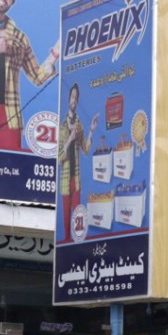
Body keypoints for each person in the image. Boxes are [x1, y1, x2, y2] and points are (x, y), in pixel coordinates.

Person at [0, 0, 58, 150]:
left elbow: (37, 76)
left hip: (9, 115)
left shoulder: (20, 38)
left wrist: (54, 55)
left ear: (13, 1)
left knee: (11, 163)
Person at [59, 82, 99, 243]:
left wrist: (91, 131)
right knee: (65, 214)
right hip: (65, 179)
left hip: (76, 179)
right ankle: (66, 240)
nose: (74, 100)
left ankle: (75, 243)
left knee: (77, 214)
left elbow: (86, 149)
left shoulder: (79, 125)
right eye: (72, 97)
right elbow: (59, 157)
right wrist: (69, 139)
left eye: (76, 98)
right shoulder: (62, 127)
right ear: (69, 99)